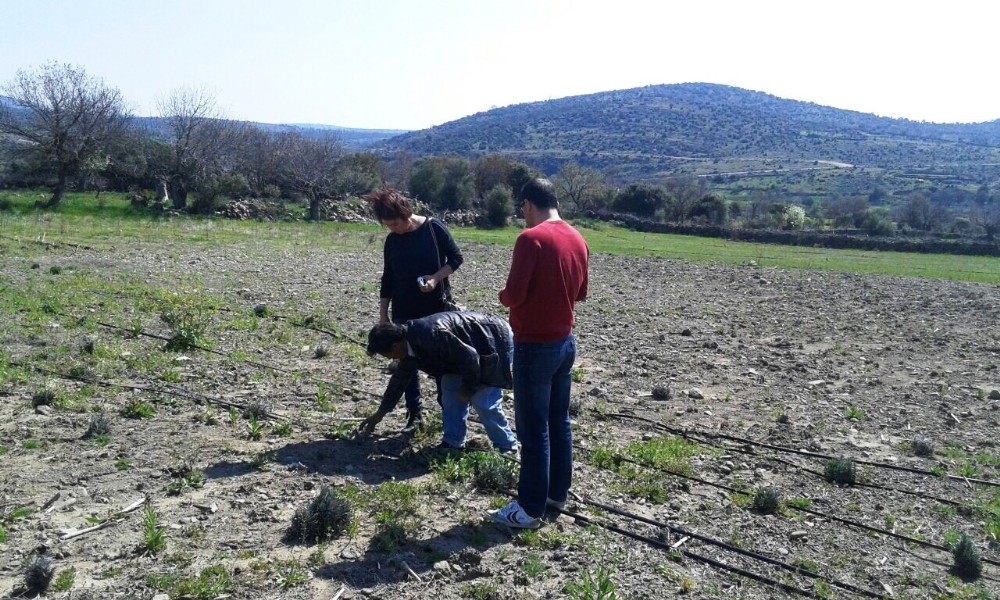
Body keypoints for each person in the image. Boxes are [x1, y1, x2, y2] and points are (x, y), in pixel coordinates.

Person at [489, 177, 589, 529]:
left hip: (534, 346)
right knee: (558, 422)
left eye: (522, 210)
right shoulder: (577, 237)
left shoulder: (530, 239)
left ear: (529, 204)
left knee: (533, 431)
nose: (522, 216)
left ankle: (528, 509)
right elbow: (581, 293)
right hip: (565, 344)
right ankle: (555, 495)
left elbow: (514, 295)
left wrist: (502, 296)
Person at [366, 187, 464, 432]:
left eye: (397, 223)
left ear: (406, 212)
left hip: (437, 310)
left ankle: (448, 414)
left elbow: (455, 258)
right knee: (406, 365)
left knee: (443, 363)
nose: (395, 229)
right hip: (404, 310)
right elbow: (387, 278)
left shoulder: (433, 229)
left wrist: (435, 278)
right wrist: (383, 315)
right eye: (389, 226)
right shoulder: (392, 241)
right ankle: (415, 413)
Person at [357, 311, 518, 454]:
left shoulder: (432, 334)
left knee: (483, 401)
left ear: (395, 345)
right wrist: (380, 414)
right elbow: (398, 382)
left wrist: (468, 389)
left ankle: (507, 446)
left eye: (388, 355)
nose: (391, 359)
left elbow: (471, 358)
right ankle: (453, 444)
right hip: (461, 356)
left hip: (493, 340)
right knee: (450, 396)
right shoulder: (408, 347)